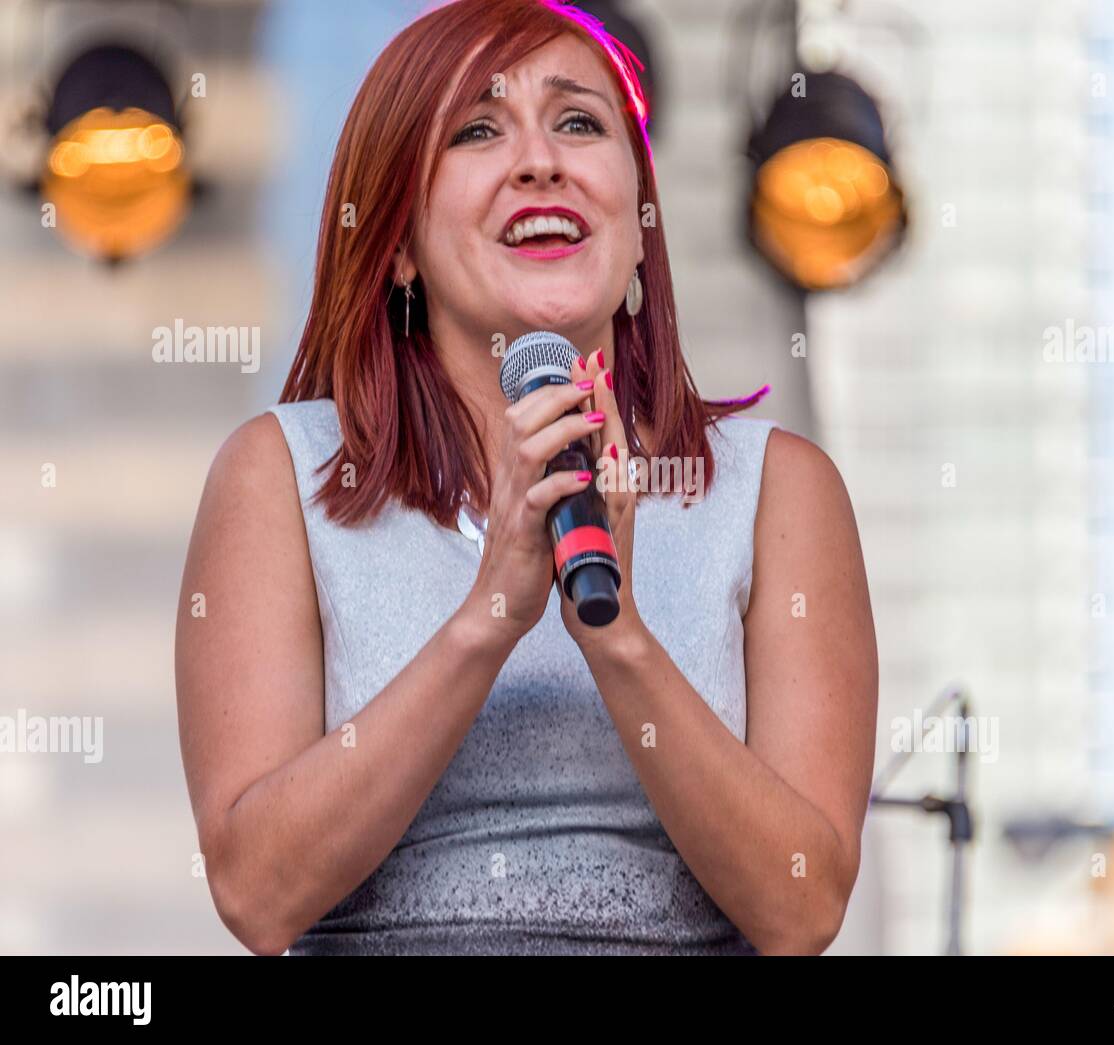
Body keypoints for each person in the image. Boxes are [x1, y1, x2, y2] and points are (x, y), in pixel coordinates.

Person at [176, 0, 878, 956]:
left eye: (579, 121)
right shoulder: (282, 476)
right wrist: (491, 616)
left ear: (639, 232)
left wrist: (618, 636)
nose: (541, 160)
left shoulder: (777, 493)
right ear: (396, 245)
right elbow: (257, 892)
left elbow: (802, 908)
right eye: (477, 128)